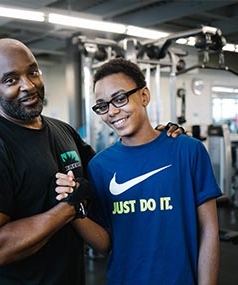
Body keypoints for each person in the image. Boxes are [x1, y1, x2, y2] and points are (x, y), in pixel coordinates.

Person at [0, 38, 185, 284]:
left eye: (33, 72)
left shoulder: (62, 131)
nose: (28, 85)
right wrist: (71, 206)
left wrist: (154, 141)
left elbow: (112, 173)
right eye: (11, 80)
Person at [55, 58, 221, 284]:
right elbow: (106, 243)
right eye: (103, 105)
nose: (112, 111)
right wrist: (72, 209)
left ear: (144, 96)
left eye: (120, 98)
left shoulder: (188, 151)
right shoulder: (100, 166)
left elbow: (209, 230)